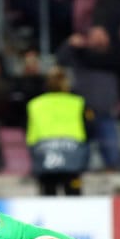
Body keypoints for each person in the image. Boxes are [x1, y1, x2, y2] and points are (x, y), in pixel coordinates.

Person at [25, 67, 92, 196]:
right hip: (73, 152)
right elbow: (89, 127)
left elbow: (28, 128)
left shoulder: (34, 104)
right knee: (73, 191)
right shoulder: (78, 102)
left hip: (43, 151)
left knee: (48, 191)